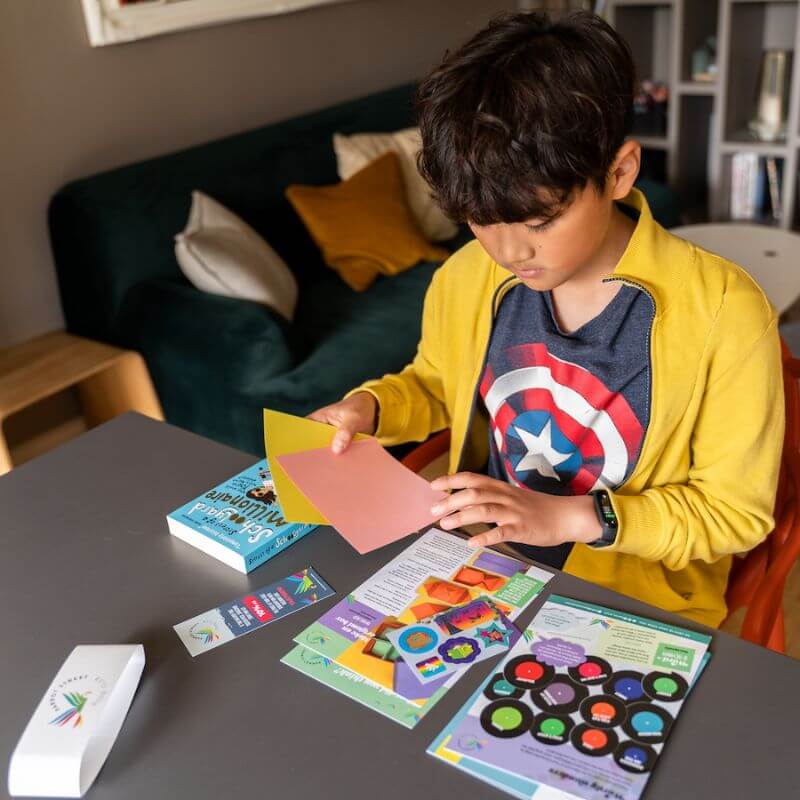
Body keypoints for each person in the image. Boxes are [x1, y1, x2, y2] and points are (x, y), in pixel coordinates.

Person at [308, 9, 785, 627]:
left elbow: (732, 514)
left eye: (538, 223)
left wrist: (568, 516)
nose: (508, 253)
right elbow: (434, 383)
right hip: (485, 563)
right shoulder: (467, 277)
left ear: (619, 172)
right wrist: (368, 408)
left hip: (632, 601)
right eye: (480, 221)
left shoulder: (726, 312)